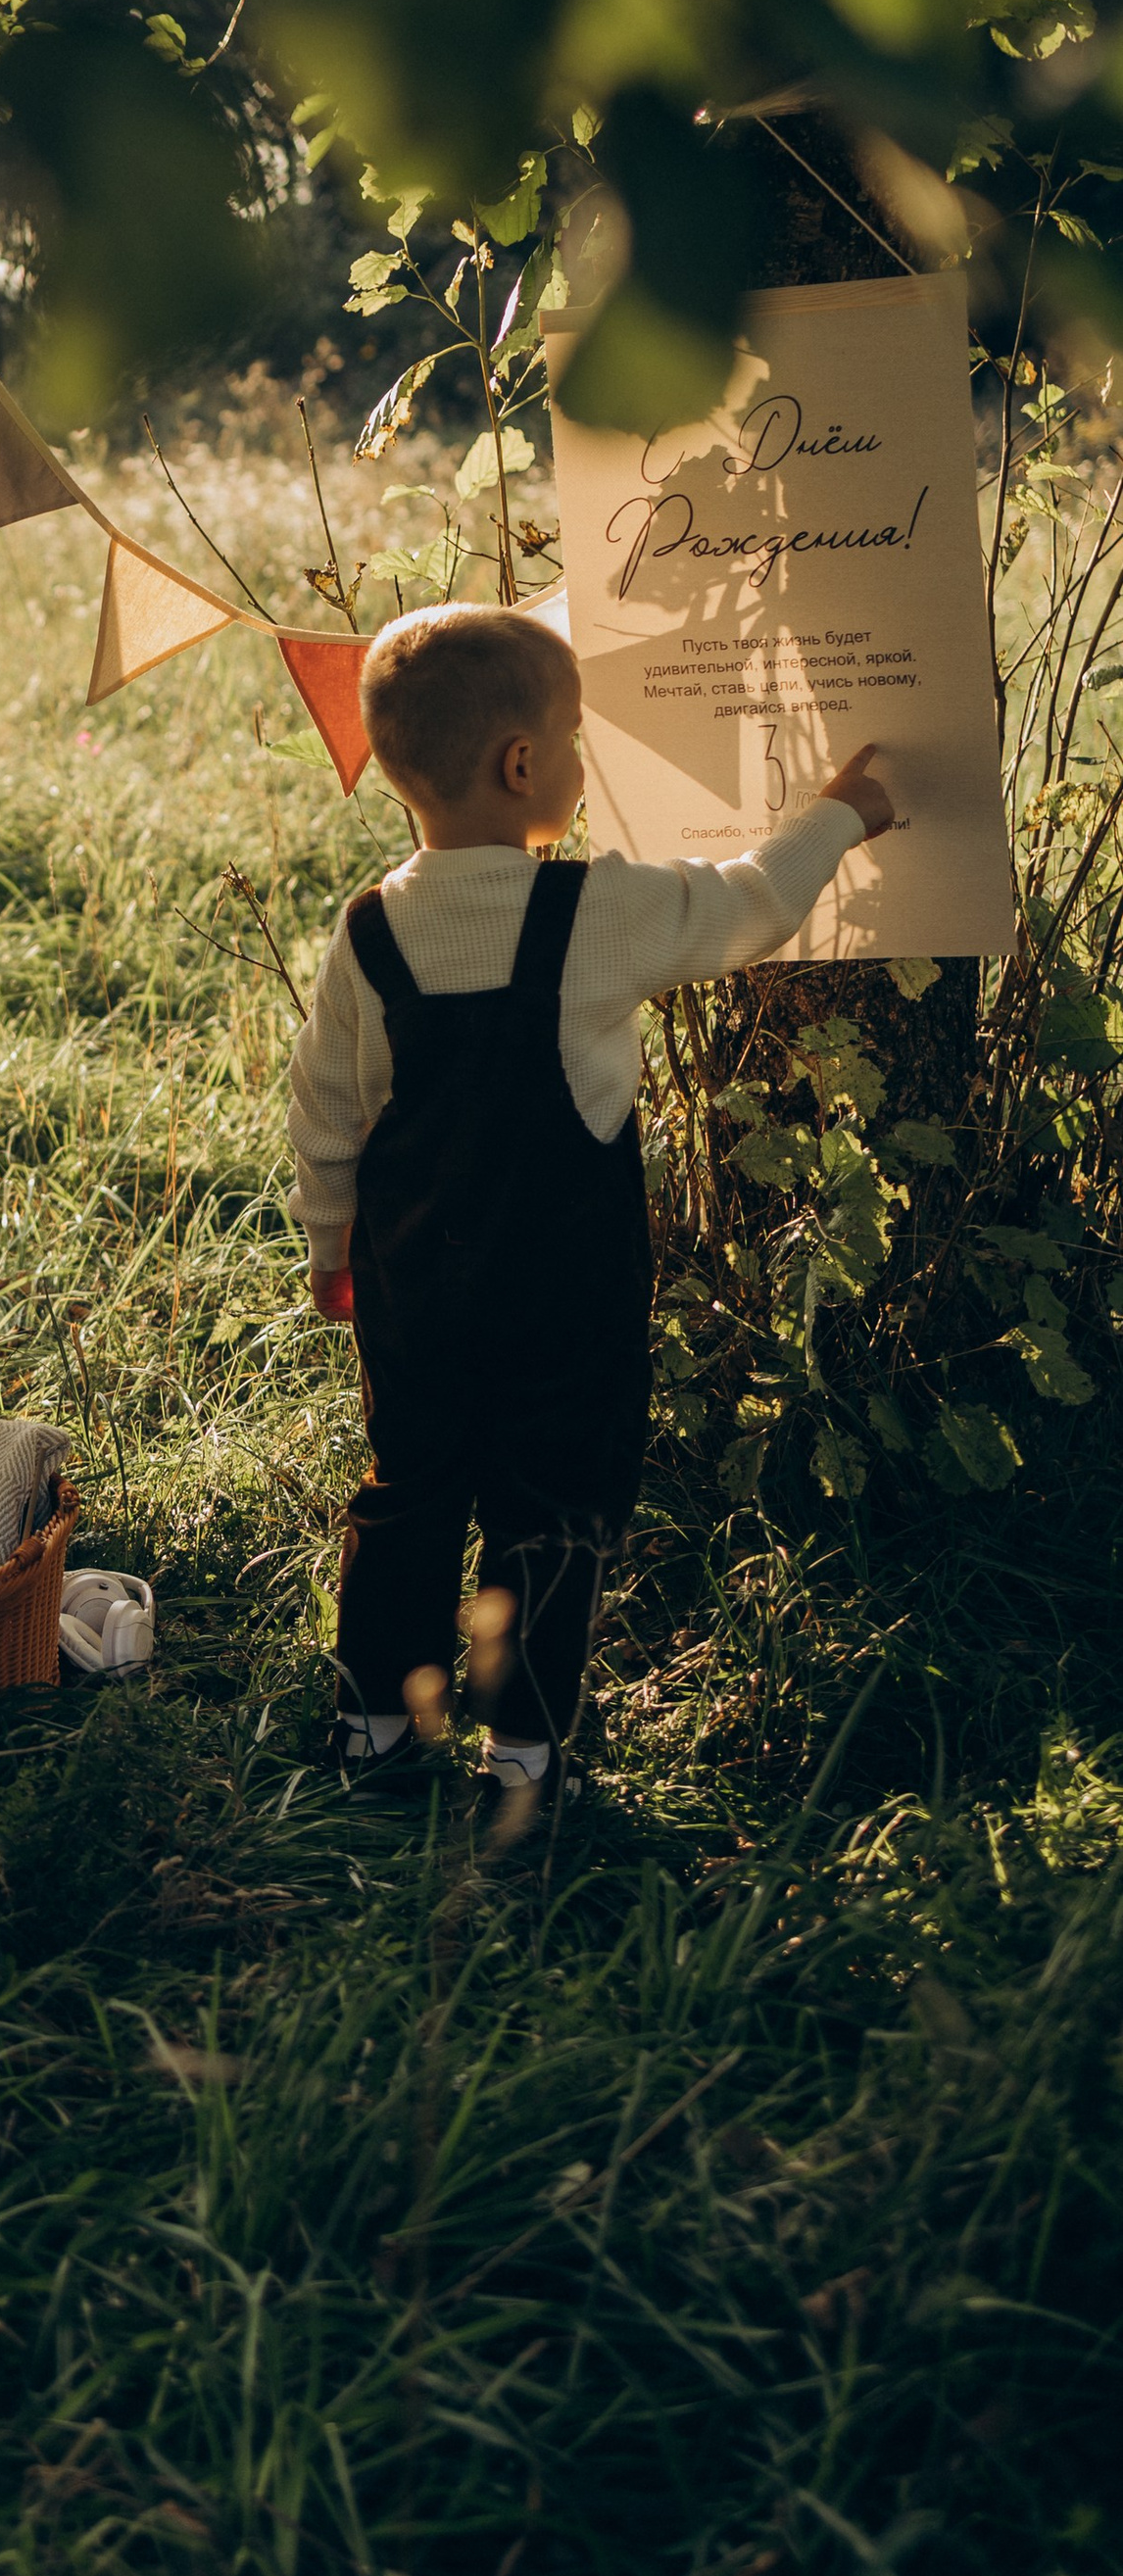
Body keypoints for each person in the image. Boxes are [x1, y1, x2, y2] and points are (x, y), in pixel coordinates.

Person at [285, 604, 896, 1824]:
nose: (579, 758)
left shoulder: (368, 931)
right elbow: (751, 901)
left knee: (407, 1490)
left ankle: (373, 1724)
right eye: (573, 737)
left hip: (413, 1289)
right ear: (524, 765)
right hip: (566, 1294)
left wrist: (329, 1252)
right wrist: (844, 812)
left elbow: (326, 1107)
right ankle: (524, 1751)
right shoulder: (592, 913)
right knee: (548, 1512)